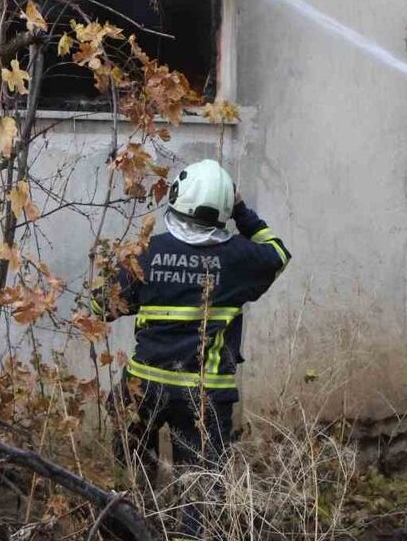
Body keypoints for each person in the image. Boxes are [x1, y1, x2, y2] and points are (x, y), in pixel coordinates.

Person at [92, 158, 291, 540]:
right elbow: (278, 253)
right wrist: (243, 212)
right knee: (201, 491)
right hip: (203, 396)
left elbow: (100, 306)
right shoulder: (240, 258)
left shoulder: (146, 252)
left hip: (141, 389)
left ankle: (132, 531)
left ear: (177, 199)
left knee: (131, 483)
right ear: (224, 212)